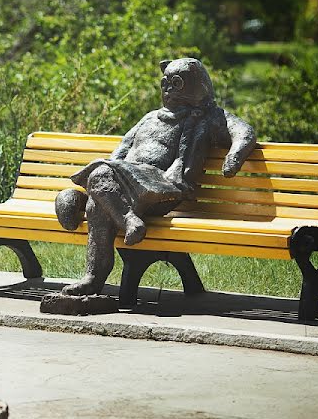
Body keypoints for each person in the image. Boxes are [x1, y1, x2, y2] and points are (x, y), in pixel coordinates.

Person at [55, 58, 256, 296]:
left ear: (197, 84)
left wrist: (233, 158)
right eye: (165, 83)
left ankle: (119, 216)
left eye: (177, 83)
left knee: (99, 179)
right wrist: (111, 170)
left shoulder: (206, 117)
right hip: (127, 182)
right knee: (96, 206)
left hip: (161, 186)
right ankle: (94, 276)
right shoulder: (149, 117)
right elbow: (121, 149)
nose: (169, 88)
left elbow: (244, 132)